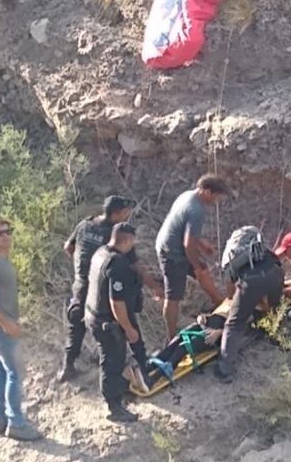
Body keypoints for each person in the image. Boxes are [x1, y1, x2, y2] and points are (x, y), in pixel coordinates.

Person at [58, 196, 162, 382]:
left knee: (76, 327)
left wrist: (82, 267)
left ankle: (67, 367)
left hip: (80, 285)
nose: (127, 215)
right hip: (102, 292)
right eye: (124, 213)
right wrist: (154, 286)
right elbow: (136, 265)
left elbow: (68, 247)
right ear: (115, 214)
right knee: (128, 323)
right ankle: (142, 364)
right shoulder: (115, 236)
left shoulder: (85, 224)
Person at [0, 218, 43, 441]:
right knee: (15, 373)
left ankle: (0, 418)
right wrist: (7, 324)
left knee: (2, 370)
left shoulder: (2, 259)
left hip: (0, 326)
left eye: (8, 232)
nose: (5, 236)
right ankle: (16, 423)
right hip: (0, 329)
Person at [85, 223, 148, 422]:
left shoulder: (101, 252)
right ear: (127, 240)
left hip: (94, 315)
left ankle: (123, 388)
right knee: (112, 361)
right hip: (107, 321)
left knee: (115, 357)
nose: (134, 245)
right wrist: (128, 328)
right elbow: (117, 302)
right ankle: (114, 407)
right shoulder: (117, 264)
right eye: (133, 241)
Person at [155, 175, 229, 342]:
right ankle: (171, 337)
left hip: (175, 244)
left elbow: (184, 230)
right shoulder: (196, 210)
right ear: (207, 191)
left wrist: (202, 246)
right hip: (171, 252)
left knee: (203, 271)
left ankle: (219, 302)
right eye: (216, 197)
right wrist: (195, 265)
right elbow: (188, 244)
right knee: (173, 296)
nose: (216, 201)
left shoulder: (187, 195)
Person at [214, 227, 284, 384]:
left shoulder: (231, 258)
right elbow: (277, 264)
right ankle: (279, 337)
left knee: (233, 324)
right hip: (275, 272)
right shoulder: (261, 247)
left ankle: (225, 368)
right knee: (275, 308)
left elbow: (231, 286)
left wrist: (234, 303)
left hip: (251, 281)